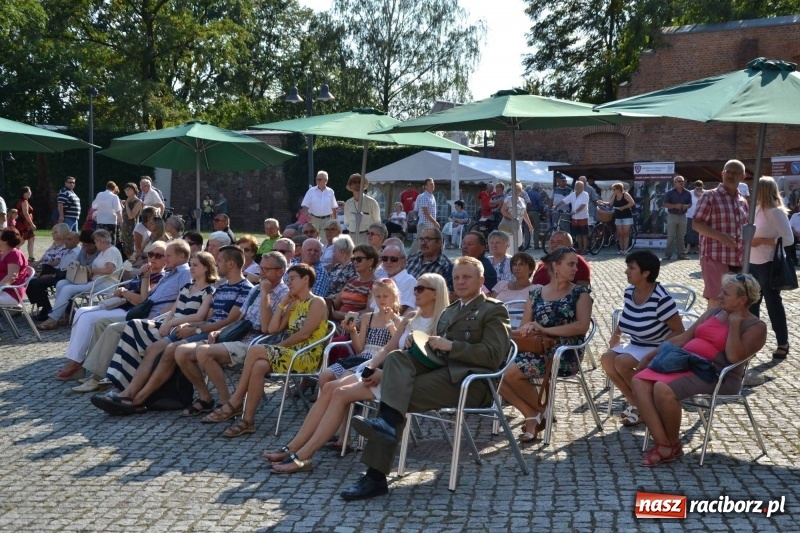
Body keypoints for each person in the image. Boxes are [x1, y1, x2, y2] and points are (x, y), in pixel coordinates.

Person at [340, 257, 510, 500]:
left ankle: (374, 477)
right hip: (440, 372)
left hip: (469, 381)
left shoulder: (493, 309)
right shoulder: (451, 310)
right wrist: (416, 344)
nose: (460, 281)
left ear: (481, 280)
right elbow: (434, 349)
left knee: (395, 395)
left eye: (467, 277)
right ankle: (383, 437)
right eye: (457, 277)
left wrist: (453, 346)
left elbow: (494, 356)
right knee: (399, 357)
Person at [265, 273, 449, 474]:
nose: (415, 292)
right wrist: (371, 367)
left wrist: (382, 367)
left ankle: (305, 455)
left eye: (421, 289)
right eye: (415, 288)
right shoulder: (411, 318)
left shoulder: (441, 322)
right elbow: (388, 348)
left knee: (339, 392)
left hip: (401, 378)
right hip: (382, 366)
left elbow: (431, 360)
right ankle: (294, 446)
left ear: (435, 293)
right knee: (328, 386)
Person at [92, 245, 252, 414]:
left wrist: (196, 330)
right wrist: (189, 326)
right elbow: (208, 317)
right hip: (203, 328)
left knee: (172, 350)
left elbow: (230, 320)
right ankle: (128, 393)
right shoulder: (222, 288)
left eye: (219, 261)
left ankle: (139, 399)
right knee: (153, 348)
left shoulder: (245, 288)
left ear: (231, 264)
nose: (216, 264)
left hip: (219, 334)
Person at [632, 273, 766, 466]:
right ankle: (666, 444)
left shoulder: (755, 326)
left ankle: (668, 445)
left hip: (717, 375)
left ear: (742, 300)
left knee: (662, 388)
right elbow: (683, 338)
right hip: (686, 363)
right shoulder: (713, 313)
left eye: (725, 294)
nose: (719, 295)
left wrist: (734, 324)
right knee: (639, 380)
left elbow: (734, 357)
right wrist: (650, 355)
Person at [202, 263, 328, 436]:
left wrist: (276, 347)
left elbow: (304, 334)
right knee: (259, 366)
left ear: (306, 279)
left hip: (305, 356)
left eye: (292, 279)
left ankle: (235, 401)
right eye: (287, 279)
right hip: (289, 355)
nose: (288, 283)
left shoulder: (317, 302)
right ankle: (247, 421)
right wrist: (284, 303)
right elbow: (272, 329)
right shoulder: (294, 304)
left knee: (255, 350)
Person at [174, 251, 289, 415]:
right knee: (181, 352)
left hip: (258, 343)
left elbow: (266, 328)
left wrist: (265, 295)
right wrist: (219, 331)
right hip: (238, 336)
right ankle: (206, 397)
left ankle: (227, 403)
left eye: (266, 270)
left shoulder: (284, 294)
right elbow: (239, 318)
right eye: (261, 269)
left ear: (280, 271)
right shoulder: (256, 289)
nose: (261, 273)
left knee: (203, 352)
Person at [73, 240, 193, 393]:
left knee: (112, 329)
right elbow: (145, 299)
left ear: (182, 256)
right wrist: (145, 277)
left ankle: (96, 378)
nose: (165, 259)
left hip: (155, 320)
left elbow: (181, 301)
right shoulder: (169, 273)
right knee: (101, 323)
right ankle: (104, 372)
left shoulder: (184, 273)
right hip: (145, 314)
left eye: (168, 255)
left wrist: (160, 317)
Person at [499, 246, 593, 442]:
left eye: (575, 264)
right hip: (536, 349)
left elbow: (581, 326)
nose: (576, 269)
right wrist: (518, 331)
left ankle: (539, 414)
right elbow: (526, 326)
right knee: (496, 374)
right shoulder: (536, 294)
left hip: (565, 353)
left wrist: (544, 329)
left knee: (510, 373)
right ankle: (533, 414)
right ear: (555, 266)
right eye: (571, 264)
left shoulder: (580, 293)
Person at [100, 250, 215, 392]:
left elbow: (199, 317)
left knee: (135, 334)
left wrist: (171, 323)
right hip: (168, 323)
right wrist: (166, 322)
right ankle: (119, 379)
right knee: (133, 325)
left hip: (182, 328)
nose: (191, 268)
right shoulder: (187, 287)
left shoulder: (209, 291)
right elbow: (173, 311)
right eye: (190, 265)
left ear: (206, 268)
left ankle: (121, 382)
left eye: (195, 265)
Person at [54, 241, 168, 381]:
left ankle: (76, 363)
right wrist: (121, 292)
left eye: (158, 255)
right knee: (81, 311)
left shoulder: (160, 278)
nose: (153, 258)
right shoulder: (144, 273)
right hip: (120, 304)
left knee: (87, 317)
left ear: (166, 259)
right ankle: (75, 360)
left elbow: (142, 300)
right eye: (150, 254)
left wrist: (124, 293)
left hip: (130, 309)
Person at [600, 251, 684, 427]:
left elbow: (679, 331)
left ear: (646, 273)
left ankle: (644, 405)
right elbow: (626, 316)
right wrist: (616, 335)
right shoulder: (630, 292)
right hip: (637, 344)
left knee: (621, 362)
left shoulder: (661, 299)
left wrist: (658, 350)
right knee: (607, 359)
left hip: (657, 347)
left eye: (631, 268)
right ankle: (636, 403)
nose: (626, 272)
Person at [37, 229, 123, 331]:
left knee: (67, 289)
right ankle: (62, 315)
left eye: (95, 242)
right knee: (61, 283)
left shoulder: (111, 251)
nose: (95, 244)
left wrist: (92, 270)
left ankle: (52, 319)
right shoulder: (103, 252)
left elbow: (109, 270)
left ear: (99, 241)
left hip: (105, 284)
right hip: (95, 281)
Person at [692, 159, 749, 309]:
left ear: (743, 177)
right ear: (722, 174)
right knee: (717, 301)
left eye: (735, 173)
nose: (730, 175)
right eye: (728, 172)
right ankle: (710, 332)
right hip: (715, 257)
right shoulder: (709, 196)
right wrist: (720, 236)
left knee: (735, 303)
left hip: (737, 260)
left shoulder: (743, 201)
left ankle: (730, 332)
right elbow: (697, 224)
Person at [747, 176, 794, 360]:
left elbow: (788, 239)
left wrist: (762, 242)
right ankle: (752, 341)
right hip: (753, 263)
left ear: (764, 190)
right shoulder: (757, 210)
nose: (752, 193)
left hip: (768, 264)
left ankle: (782, 342)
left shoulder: (776, 212)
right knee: (752, 305)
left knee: (773, 304)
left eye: (756, 189)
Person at [29, 230, 91, 320]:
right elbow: (59, 268)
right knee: (32, 282)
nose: (66, 241)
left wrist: (51, 275)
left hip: (67, 277)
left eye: (69, 239)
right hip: (59, 274)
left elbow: (70, 271)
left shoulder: (77, 253)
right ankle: (46, 307)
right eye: (65, 239)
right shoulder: (65, 251)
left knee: (37, 283)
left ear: (77, 241)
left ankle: (49, 310)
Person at [328, 244, 379, 323]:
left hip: (352, 325)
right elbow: (336, 304)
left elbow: (368, 312)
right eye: (353, 259)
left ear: (371, 261)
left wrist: (343, 315)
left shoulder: (375, 285)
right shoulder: (352, 281)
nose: (355, 262)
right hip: (337, 322)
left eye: (359, 259)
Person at [372, 244, 416, 313]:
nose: (388, 262)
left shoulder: (409, 281)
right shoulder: (383, 281)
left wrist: (374, 320)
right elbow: (372, 308)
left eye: (393, 259)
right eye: (385, 259)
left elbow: (399, 311)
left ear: (404, 262)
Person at [598, 182, 635, 255]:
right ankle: (621, 250)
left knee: (626, 234)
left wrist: (623, 207)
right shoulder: (614, 196)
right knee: (620, 234)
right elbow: (610, 204)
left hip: (627, 216)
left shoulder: (626, 195)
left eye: (614, 189)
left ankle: (625, 250)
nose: (613, 190)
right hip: (618, 216)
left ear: (619, 189)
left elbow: (632, 203)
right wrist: (602, 202)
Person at [344, 174, 381, 246]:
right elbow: (347, 222)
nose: (357, 184)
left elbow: (377, 223)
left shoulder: (372, 202)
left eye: (359, 182)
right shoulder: (348, 203)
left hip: (366, 236)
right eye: (354, 182)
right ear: (350, 186)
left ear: (364, 185)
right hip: (351, 236)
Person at [555, 179, 590, 254]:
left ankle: (585, 249)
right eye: (577, 186)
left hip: (583, 217)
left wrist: (575, 211)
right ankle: (580, 248)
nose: (579, 188)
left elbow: (583, 205)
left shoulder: (585, 194)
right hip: (575, 217)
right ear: (575, 187)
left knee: (584, 234)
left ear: (583, 187)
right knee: (577, 234)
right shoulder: (572, 194)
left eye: (581, 187)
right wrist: (556, 206)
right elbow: (564, 201)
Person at [662, 175, 692, 261]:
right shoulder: (670, 193)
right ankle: (667, 255)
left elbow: (690, 204)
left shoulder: (687, 193)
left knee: (681, 236)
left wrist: (686, 206)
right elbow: (665, 204)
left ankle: (681, 255)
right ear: (675, 183)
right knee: (671, 236)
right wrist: (676, 206)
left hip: (683, 216)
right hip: (672, 216)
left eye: (682, 181)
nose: (681, 183)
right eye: (679, 181)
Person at [0, 228, 32, 306]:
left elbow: (12, 276)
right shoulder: (2, 254)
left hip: (11, 292)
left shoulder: (14, 254)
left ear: (5, 241)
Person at [499, 183, 533, 250]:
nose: (516, 192)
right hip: (509, 224)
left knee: (519, 242)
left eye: (518, 190)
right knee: (510, 244)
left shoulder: (522, 200)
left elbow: (524, 213)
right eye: (514, 190)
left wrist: (529, 224)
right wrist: (512, 218)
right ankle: (510, 257)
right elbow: (503, 211)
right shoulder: (508, 199)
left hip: (518, 224)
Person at [409, 178, 439, 254]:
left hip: (430, 225)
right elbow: (425, 212)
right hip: (424, 224)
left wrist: (433, 223)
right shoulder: (423, 196)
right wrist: (435, 222)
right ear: (425, 186)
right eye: (431, 184)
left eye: (433, 184)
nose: (433, 185)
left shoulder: (432, 197)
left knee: (429, 242)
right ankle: (410, 258)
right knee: (419, 241)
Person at [121, 183, 143, 258]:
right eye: (126, 189)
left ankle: (131, 266)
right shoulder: (125, 201)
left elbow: (131, 216)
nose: (127, 191)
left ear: (134, 190)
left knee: (131, 250)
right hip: (124, 228)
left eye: (129, 189)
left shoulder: (138, 202)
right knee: (125, 249)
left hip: (132, 228)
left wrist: (127, 204)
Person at [15, 186, 36, 261]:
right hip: (24, 224)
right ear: (23, 194)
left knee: (31, 239)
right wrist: (32, 223)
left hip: (24, 223)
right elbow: (26, 213)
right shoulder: (24, 202)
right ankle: (12, 253)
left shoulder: (22, 201)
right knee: (21, 240)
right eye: (28, 192)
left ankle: (31, 257)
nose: (30, 193)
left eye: (30, 192)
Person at [685, 180, 705, 255]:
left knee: (698, 233)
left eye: (700, 189)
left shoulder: (705, 193)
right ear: (694, 188)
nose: (699, 190)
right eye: (697, 189)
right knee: (689, 232)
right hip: (690, 215)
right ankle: (687, 249)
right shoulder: (690, 193)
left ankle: (697, 248)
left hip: (701, 216)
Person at [527, 184, 545, 249]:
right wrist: (542, 214)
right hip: (535, 212)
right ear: (538, 188)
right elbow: (540, 206)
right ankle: (536, 245)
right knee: (536, 229)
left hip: (527, 212)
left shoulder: (527, 193)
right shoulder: (538, 194)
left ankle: (526, 244)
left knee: (527, 229)